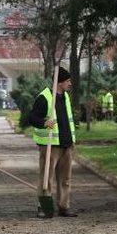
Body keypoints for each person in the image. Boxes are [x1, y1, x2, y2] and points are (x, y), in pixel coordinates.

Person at [29, 67, 77, 218]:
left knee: (65, 179)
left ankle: (64, 206)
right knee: (46, 178)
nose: (70, 84)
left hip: (66, 145)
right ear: (60, 82)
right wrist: (44, 122)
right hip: (50, 146)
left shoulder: (66, 97)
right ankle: (44, 208)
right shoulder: (44, 97)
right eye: (68, 81)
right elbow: (32, 118)